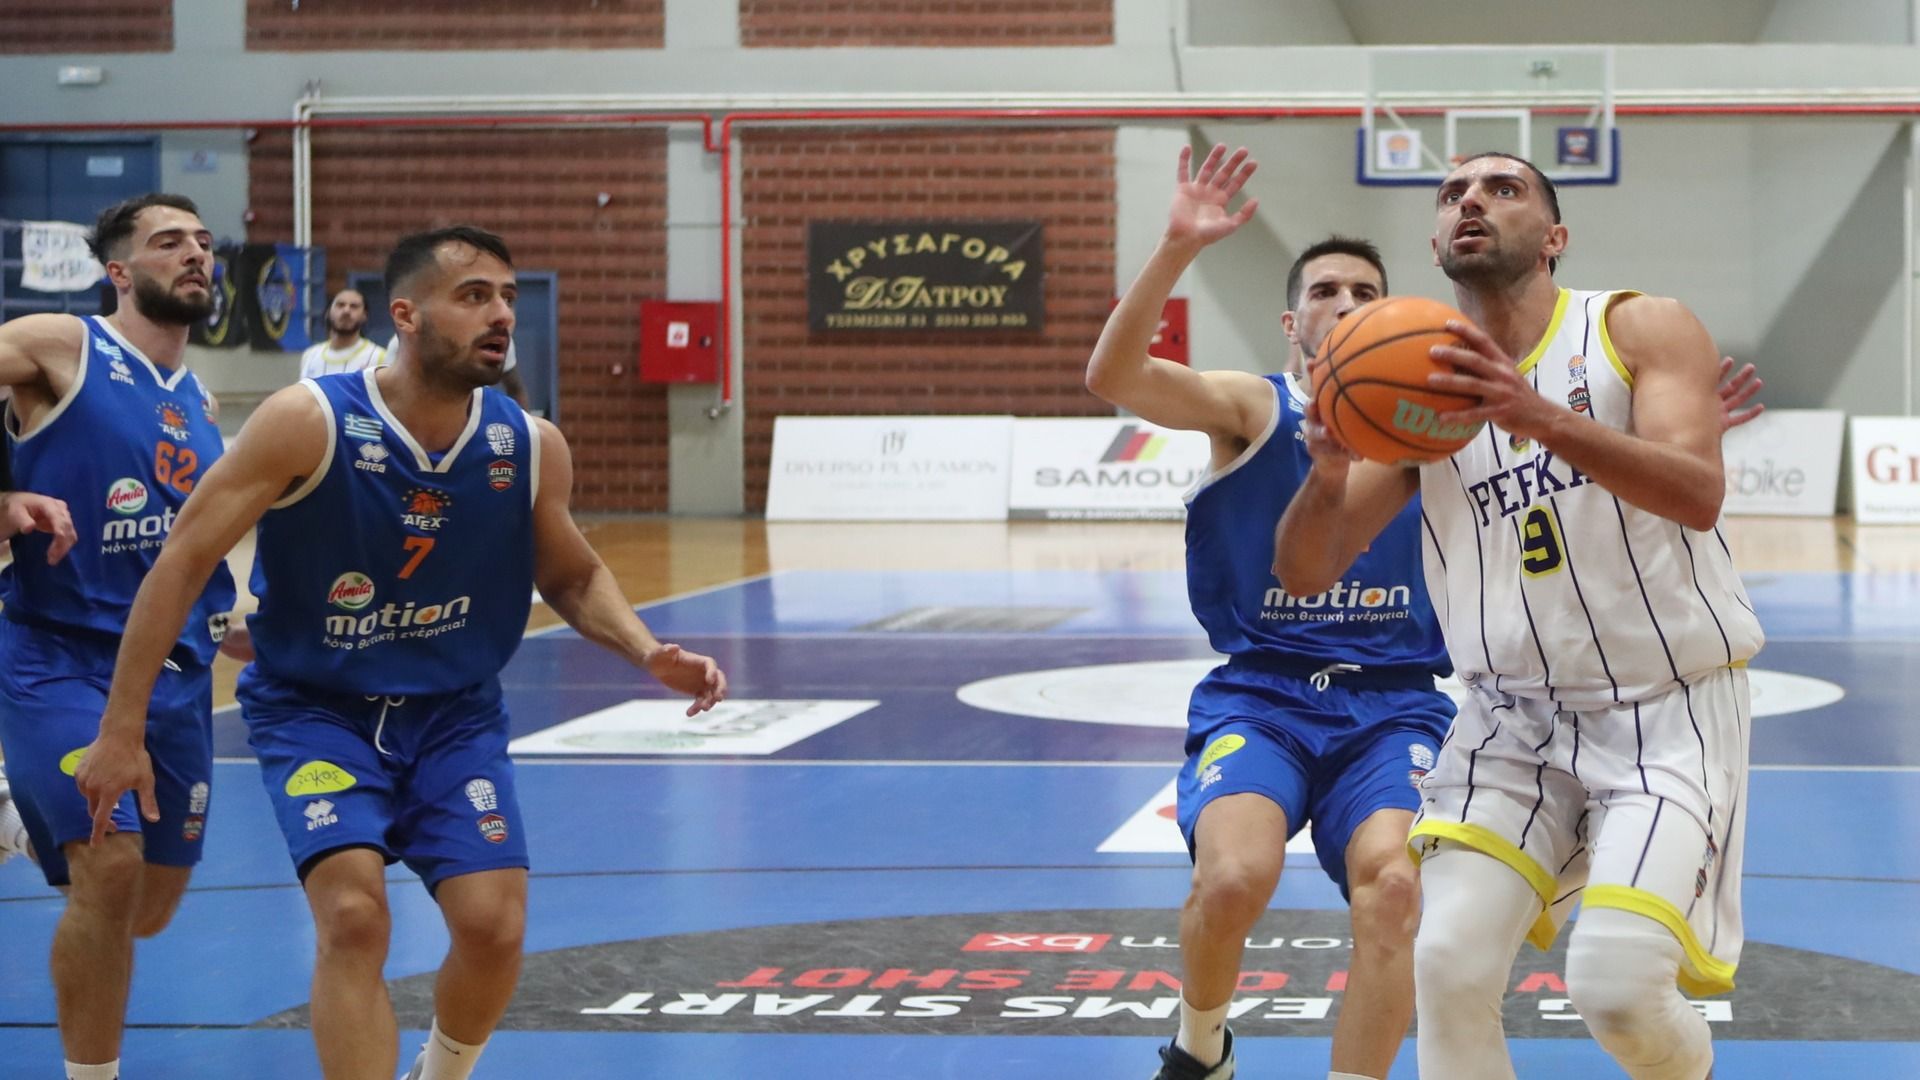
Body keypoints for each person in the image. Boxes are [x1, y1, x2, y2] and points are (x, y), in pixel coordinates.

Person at [79, 224, 728, 1080]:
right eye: (474, 296)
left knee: (494, 928)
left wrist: (647, 651)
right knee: (353, 918)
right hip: (316, 711)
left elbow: (571, 574)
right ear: (407, 316)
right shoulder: (307, 420)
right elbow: (182, 561)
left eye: (507, 297)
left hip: (454, 714)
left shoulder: (529, 443)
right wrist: (121, 729)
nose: (501, 314)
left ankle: (441, 1072)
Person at [1275, 152, 1762, 1080]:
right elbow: (1305, 573)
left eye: (1503, 190)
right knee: (1446, 964)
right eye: (1452, 193)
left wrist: (1536, 416)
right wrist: (1328, 474)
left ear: (1553, 237)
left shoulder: (1637, 326)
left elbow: (1697, 493)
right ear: (1435, 243)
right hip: (1512, 722)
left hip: (1665, 709)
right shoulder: (1418, 384)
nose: (1471, 201)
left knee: (1618, 990)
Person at [1088, 143, 1453, 1080]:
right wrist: (1176, 249)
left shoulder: (1435, 428)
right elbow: (1114, 378)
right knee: (1232, 880)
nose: (1347, 302)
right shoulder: (1256, 409)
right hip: (1264, 695)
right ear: (1293, 322)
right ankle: (1201, 1046)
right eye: (1327, 290)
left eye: (1366, 291)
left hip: (1397, 703)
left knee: (1395, 888)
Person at [0, 193, 239, 1080]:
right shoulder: (60, 345)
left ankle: (20, 824)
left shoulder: (200, 398)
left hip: (174, 670)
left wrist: (237, 621)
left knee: (150, 904)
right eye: (168, 242)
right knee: (108, 870)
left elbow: (188, 541)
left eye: (203, 242)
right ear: (118, 271)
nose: (194, 254)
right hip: (59, 656)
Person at [300, 288, 387, 380]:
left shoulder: (379, 357)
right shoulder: (309, 356)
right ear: (328, 312)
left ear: (364, 315)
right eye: (340, 305)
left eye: (354, 306)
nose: (346, 310)